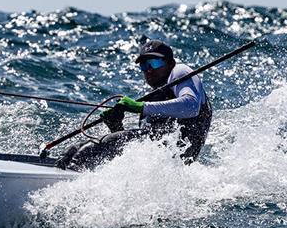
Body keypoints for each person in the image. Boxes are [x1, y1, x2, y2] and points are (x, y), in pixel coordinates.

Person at [55, 40, 212, 171]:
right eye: (144, 65)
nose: (148, 70)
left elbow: (192, 106)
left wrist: (140, 106)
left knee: (88, 150)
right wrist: (116, 126)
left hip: (174, 166)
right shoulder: (157, 96)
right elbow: (138, 148)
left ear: (170, 62)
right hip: (156, 164)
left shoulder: (179, 71)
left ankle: (67, 180)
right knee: (74, 150)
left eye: (154, 63)